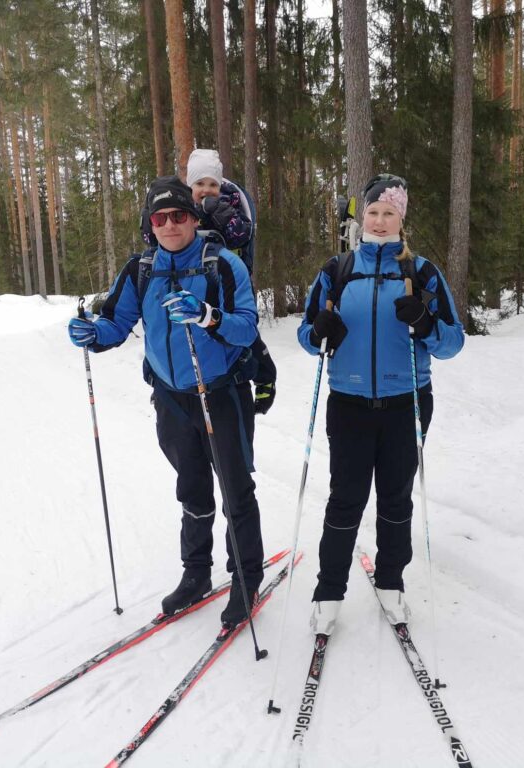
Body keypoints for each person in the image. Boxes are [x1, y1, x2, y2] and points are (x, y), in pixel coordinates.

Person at [69, 175, 265, 628]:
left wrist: (206, 316)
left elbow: (246, 328)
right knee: (191, 487)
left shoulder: (223, 264)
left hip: (220, 392)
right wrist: (91, 335)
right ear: (150, 224)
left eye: (179, 215)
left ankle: (245, 577)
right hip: (171, 397)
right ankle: (196, 572)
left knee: (236, 487)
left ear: (194, 218)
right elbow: (116, 323)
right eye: (161, 218)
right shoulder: (141, 269)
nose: (171, 225)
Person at [297, 174, 465, 635]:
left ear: (401, 218)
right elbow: (306, 338)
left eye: (389, 212)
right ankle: (328, 592)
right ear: (362, 218)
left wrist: (425, 322)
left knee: (395, 499)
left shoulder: (422, 272)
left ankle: (391, 583)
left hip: (405, 402)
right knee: (345, 501)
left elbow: (452, 343)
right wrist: (319, 331)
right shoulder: (338, 269)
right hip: (348, 404)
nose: (380, 219)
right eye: (373, 211)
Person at [183, 148, 277, 417]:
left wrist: (220, 211)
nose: (206, 190)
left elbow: (241, 235)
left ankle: (265, 376)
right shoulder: (182, 208)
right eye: (200, 184)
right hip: (193, 280)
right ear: (190, 185)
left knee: (243, 332)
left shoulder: (230, 203)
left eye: (212, 184)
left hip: (228, 279)